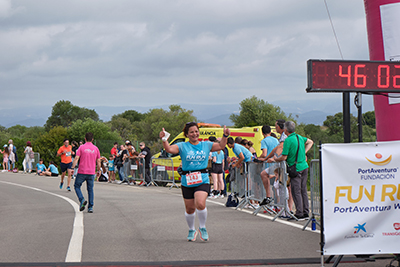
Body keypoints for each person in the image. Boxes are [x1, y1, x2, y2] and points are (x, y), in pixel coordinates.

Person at [160, 122, 230, 242]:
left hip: (202, 178)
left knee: (201, 203)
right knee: (190, 209)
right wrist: (164, 139)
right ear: (187, 134)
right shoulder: (182, 146)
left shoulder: (206, 145)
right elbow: (169, 149)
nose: (194, 134)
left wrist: (225, 136)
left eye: (196, 131)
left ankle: (202, 227)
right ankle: (192, 230)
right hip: (187, 180)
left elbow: (221, 146)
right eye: (191, 132)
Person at [272, 121, 314, 221]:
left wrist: (275, 159)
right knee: (303, 189)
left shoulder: (288, 140)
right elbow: (310, 142)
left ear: (285, 130)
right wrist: (304, 153)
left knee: (296, 191)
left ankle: (299, 213)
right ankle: (305, 211)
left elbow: (284, 157)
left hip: (295, 168)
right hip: (304, 166)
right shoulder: (299, 137)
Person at [71, 132, 101, 213]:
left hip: (82, 171)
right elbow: (98, 161)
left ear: (85, 139)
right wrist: (98, 170)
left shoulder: (81, 147)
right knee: (90, 189)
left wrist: (73, 168)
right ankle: (90, 207)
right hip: (91, 172)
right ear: (92, 139)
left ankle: (82, 200)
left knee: (77, 186)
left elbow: (76, 158)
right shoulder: (96, 148)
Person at [257, 125, 280, 206]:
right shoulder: (276, 140)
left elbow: (264, 154)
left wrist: (258, 158)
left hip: (268, 164)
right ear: (270, 132)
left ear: (262, 133)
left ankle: (269, 201)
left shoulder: (264, 141)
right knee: (276, 186)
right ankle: (277, 205)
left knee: (269, 186)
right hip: (277, 164)